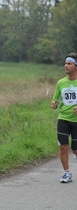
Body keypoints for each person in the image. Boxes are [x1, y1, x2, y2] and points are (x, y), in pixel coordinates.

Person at [50, 52, 77, 183]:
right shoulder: (61, 83)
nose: (65, 66)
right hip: (63, 119)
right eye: (65, 63)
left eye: (69, 63)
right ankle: (67, 173)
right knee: (63, 146)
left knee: (75, 150)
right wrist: (54, 104)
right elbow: (55, 100)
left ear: (76, 66)